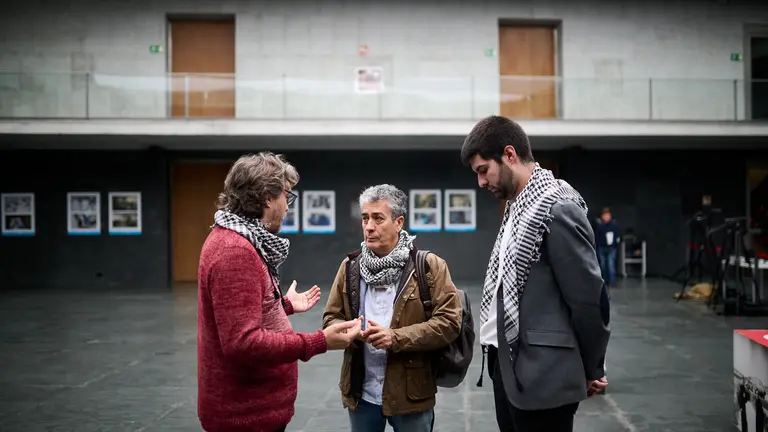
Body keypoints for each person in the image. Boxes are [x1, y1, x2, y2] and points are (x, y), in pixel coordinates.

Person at [460, 116, 611, 432]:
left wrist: (593, 366)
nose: (481, 182)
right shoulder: (516, 209)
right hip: (507, 367)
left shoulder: (558, 207)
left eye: (483, 170)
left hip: (546, 375)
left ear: (509, 155)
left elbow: (588, 300)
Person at [197, 152, 362, 432]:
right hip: (246, 415)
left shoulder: (238, 239)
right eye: (287, 196)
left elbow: (236, 313)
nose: (288, 207)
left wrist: (279, 306)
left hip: (252, 408)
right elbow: (242, 343)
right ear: (267, 198)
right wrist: (319, 341)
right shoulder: (235, 251)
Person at [322, 184, 462, 432]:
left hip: (411, 393)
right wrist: (349, 331)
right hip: (361, 391)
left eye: (378, 218)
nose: (369, 226)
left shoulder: (429, 266)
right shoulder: (350, 267)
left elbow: (450, 323)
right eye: (365, 218)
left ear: (399, 222)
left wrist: (395, 337)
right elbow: (331, 317)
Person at [595, 207, 620, 287]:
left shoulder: (613, 226)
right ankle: (604, 281)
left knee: (610, 265)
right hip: (602, 247)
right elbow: (597, 237)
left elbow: (617, 236)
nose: (607, 217)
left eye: (608, 215)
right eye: (605, 215)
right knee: (602, 265)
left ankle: (611, 281)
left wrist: (614, 246)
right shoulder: (599, 226)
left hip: (611, 248)